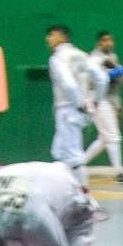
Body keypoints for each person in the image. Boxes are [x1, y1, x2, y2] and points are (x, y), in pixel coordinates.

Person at [46, 24, 104, 186]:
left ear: (61, 36)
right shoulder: (82, 55)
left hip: (67, 109)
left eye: (51, 35)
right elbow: (102, 79)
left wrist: (79, 103)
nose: (48, 39)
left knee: (73, 156)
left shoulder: (57, 59)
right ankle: (63, 189)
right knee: (59, 152)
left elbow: (68, 84)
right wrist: (95, 101)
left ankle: (84, 197)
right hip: (81, 110)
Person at [85, 31, 123, 185]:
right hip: (97, 98)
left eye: (110, 40)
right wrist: (110, 73)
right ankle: (119, 173)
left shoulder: (113, 58)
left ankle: (77, 165)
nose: (108, 43)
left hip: (109, 100)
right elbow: (93, 80)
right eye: (105, 40)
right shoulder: (93, 59)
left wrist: (121, 72)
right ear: (99, 43)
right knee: (113, 135)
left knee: (104, 138)